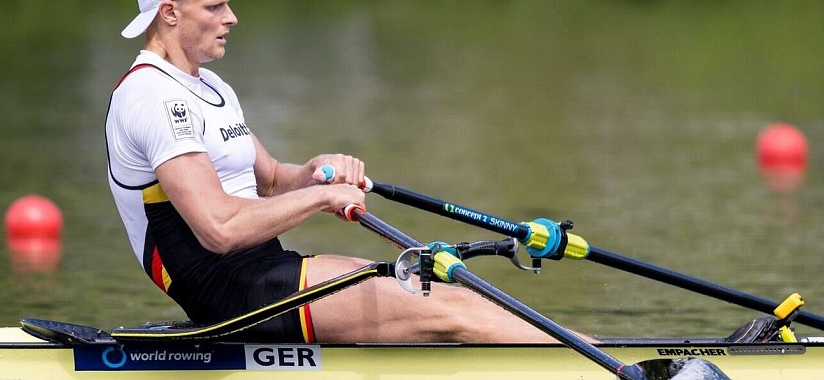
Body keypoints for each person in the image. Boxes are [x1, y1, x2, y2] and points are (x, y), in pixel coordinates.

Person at [106, 0, 566, 344]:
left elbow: (268, 181)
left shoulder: (209, 85)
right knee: (453, 310)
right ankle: (597, 362)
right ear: (169, 12)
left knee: (440, 292)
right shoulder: (151, 96)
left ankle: (595, 352)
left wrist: (314, 174)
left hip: (265, 272)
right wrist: (321, 199)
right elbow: (219, 230)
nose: (232, 17)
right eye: (214, 5)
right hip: (228, 292)